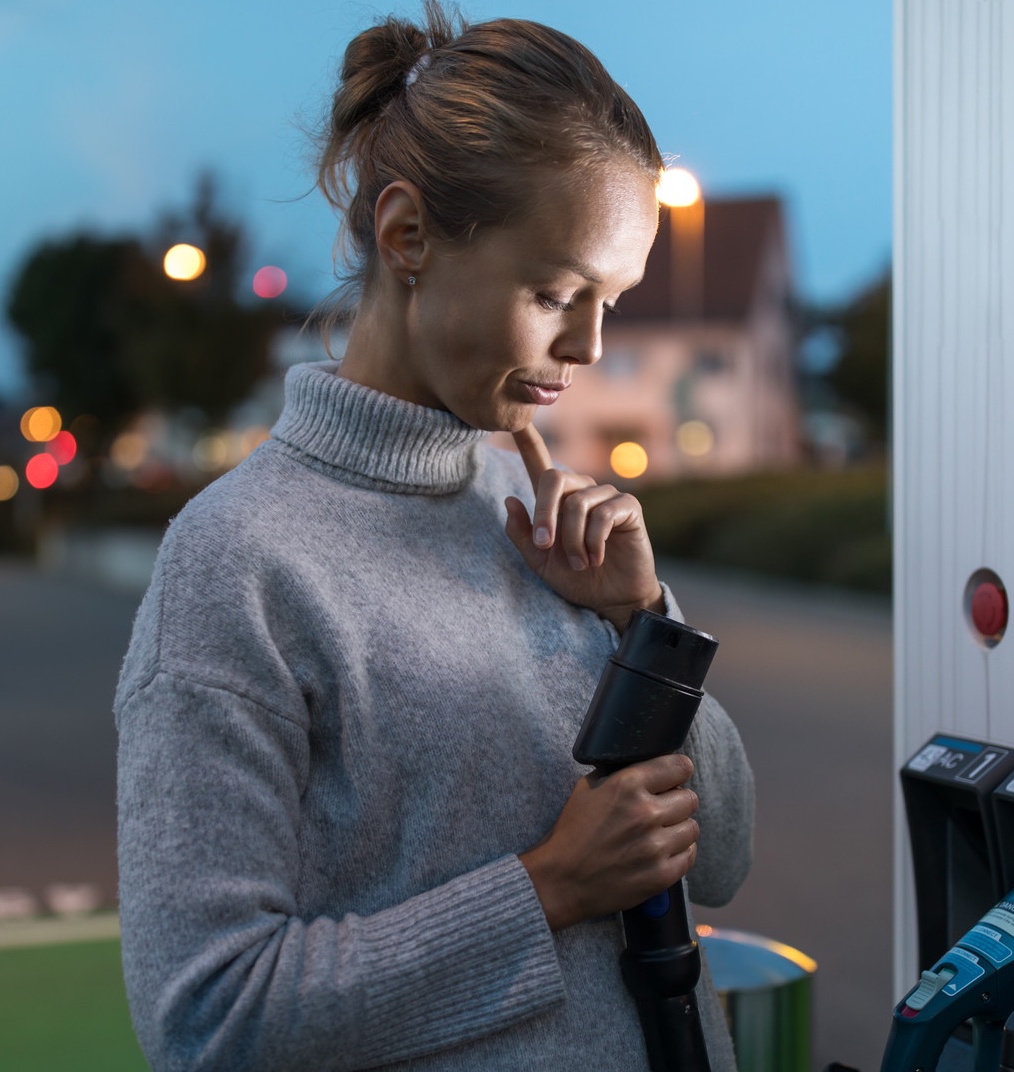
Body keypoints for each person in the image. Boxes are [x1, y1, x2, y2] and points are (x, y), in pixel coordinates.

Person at [114, 4, 754, 1068]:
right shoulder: (237, 563)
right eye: (556, 292)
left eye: (611, 301)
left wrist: (642, 623)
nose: (589, 345)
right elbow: (206, 1017)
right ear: (406, 236)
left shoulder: (556, 524)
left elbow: (721, 855)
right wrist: (548, 889)